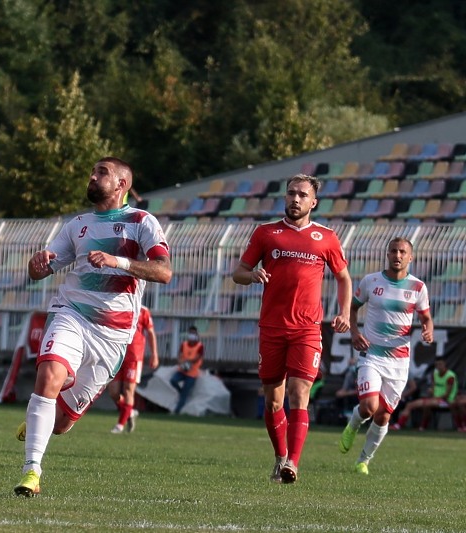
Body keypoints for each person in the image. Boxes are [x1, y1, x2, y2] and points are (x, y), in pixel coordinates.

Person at [13, 157, 172, 497]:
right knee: (47, 376)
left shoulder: (141, 221)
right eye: (92, 171)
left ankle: (44, 418)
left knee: (61, 425)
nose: (92, 176)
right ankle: (32, 472)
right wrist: (38, 263)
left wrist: (120, 261)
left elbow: (164, 271)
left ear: (121, 184)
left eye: (102, 173)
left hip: (112, 336)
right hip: (71, 313)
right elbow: (40, 269)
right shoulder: (78, 225)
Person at [232, 173, 352, 484]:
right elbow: (238, 273)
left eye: (302, 195)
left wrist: (344, 313)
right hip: (271, 327)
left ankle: (293, 464)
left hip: (307, 329)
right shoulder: (266, 233)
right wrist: (252, 274)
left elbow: (343, 277)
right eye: (291, 193)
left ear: (314, 202)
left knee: (300, 395)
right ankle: (280, 456)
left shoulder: (326, 237)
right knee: (273, 400)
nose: (295, 199)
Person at [338, 237, 433, 475]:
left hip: (399, 361)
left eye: (402, 252)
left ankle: (363, 460)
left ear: (410, 257)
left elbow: (425, 317)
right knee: (369, 406)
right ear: (387, 254)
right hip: (371, 353)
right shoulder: (371, 281)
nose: (397, 255)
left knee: (383, 416)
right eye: (393, 251)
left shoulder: (418, 287)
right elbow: (352, 307)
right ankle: (353, 425)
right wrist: (355, 333)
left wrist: (427, 328)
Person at [107, 304, 159, 433]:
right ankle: (129, 412)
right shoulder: (119, 307)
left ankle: (120, 425)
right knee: (113, 392)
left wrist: (154, 354)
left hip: (134, 357)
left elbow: (151, 332)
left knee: (128, 390)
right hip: (118, 355)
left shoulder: (143, 311)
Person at [391, 356, 455, 431]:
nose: (438, 366)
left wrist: (434, 398)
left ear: (445, 364)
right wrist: (431, 391)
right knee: (410, 405)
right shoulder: (435, 374)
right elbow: (433, 389)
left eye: (440, 364)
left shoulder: (450, 376)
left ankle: (422, 426)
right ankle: (399, 425)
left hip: (446, 401)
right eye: (436, 365)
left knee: (426, 404)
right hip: (435, 400)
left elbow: (447, 394)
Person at [169, 326, 204, 415]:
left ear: (196, 335)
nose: (191, 335)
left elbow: (198, 357)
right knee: (173, 380)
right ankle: (180, 392)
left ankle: (177, 411)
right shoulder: (184, 344)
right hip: (182, 370)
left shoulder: (200, 346)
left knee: (185, 392)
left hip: (192, 373)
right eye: (190, 333)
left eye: (193, 333)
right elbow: (180, 355)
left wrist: (188, 363)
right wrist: (181, 363)